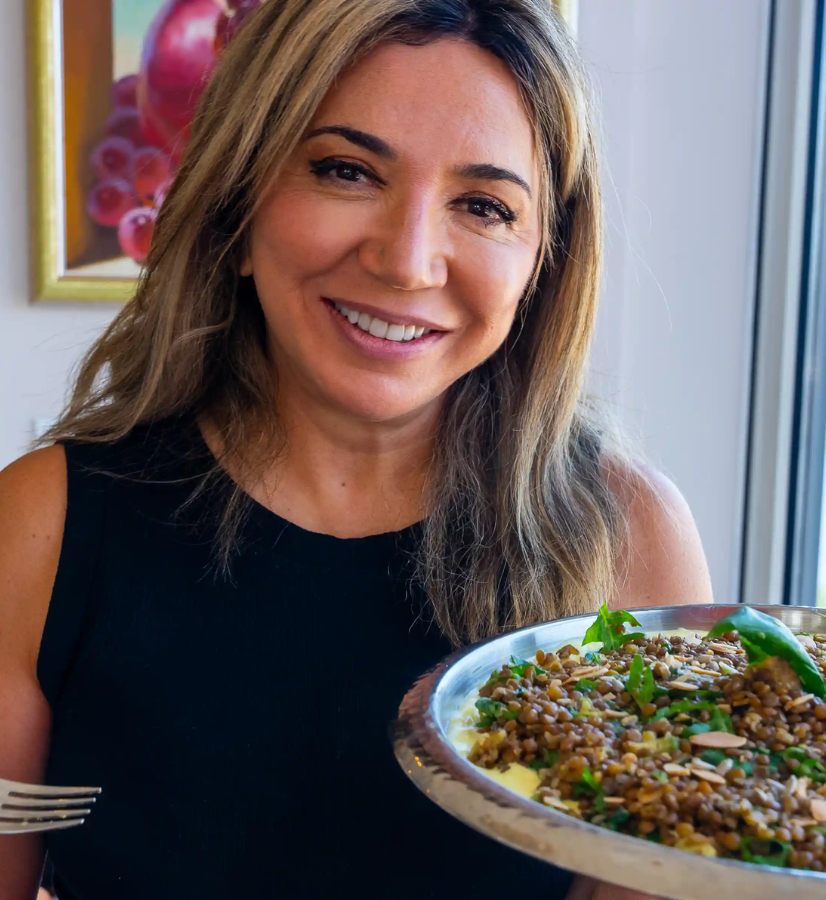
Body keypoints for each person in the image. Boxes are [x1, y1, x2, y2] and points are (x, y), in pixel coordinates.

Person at [0, 1, 713, 897]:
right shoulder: (43, 524)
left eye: (484, 205)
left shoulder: (631, 538)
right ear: (239, 199)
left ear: (542, 263)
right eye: (346, 170)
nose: (408, 260)